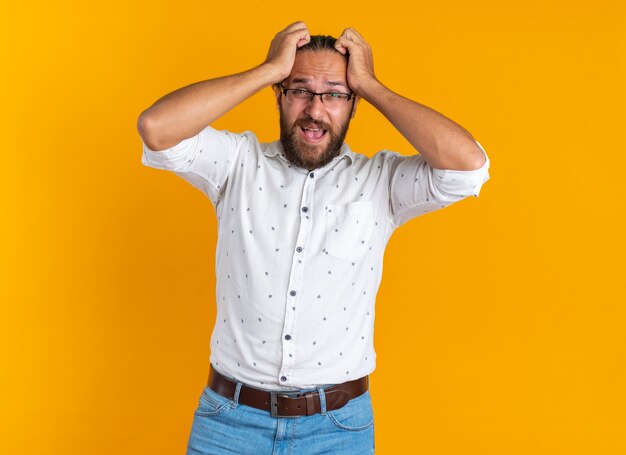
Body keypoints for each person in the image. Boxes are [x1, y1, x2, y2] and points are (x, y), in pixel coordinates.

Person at [138, 21, 490, 455]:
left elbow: (468, 166)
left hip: (337, 430)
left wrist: (372, 85)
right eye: (299, 89)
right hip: (229, 422)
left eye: (335, 94)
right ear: (281, 96)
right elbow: (156, 127)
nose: (315, 109)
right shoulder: (237, 162)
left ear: (353, 105)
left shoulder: (380, 181)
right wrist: (268, 70)